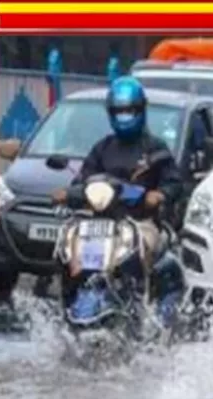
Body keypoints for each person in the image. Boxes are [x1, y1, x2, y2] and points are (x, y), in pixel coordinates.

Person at [50, 76, 183, 302]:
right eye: (119, 112)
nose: (124, 116)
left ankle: (140, 297)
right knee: (67, 243)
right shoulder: (103, 147)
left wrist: (159, 194)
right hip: (99, 222)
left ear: (140, 110)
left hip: (140, 220)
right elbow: (84, 178)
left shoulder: (155, 148)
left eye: (129, 111)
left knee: (144, 245)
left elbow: (174, 182)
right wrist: (68, 194)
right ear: (111, 113)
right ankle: (68, 295)